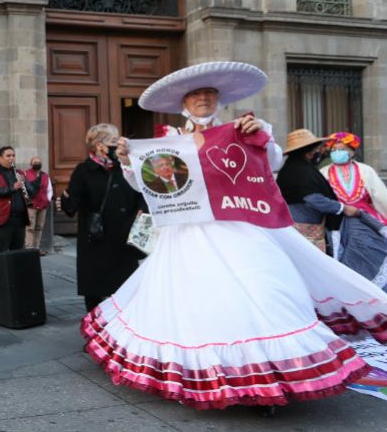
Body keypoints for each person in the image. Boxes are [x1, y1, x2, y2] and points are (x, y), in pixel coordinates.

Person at [88, 62, 387, 411]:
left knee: (263, 287)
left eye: (210, 94)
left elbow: (272, 162)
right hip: (189, 233)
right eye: (197, 94)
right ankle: (214, 375)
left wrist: (260, 134)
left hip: (240, 224)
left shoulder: (241, 129)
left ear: (219, 100)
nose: (203, 99)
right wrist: (129, 161)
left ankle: (271, 374)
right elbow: (145, 186)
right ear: (184, 102)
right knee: (197, 301)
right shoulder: (166, 142)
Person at [57, 124, 145, 312]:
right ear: (99, 146)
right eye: (113, 142)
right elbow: (72, 204)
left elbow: (141, 194)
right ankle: (96, 331)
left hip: (124, 236)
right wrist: (65, 199)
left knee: (126, 289)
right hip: (97, 239)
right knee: (96, 289)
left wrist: (140, 214)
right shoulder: (84, 170)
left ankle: (123, 332)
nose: (118, 145)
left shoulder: (126, 167)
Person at [321, 132, 387, 288]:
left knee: (371, 251)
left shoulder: (366, 170)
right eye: (334, 149)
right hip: (338, 222)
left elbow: (381, 197)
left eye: (342, 149)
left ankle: (373, 288)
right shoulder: (324, 173)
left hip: (365, 219)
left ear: (351, 151)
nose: (337, 153)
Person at [276, 129, 355, 253]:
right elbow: (312, 198)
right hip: (305, 232)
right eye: (315, 150)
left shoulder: (294, 167)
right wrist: (341, 207)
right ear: (308, 152)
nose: (317, 153)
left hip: (299, 227)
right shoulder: (300, 171)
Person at [0, 146, 29, 253]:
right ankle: (0, 271)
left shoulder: (19, 173)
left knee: (18, 251)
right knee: (1, 252)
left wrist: (25, 183)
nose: (11, 158)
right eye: (8, 156)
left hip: (19, 219)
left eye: (13, 155)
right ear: (0, 158)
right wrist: (13, 187)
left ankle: (16, 270)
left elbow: (30, 190)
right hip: (3, 219)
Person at [24, 156, 53, 255]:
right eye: (35, 162)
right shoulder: (26, 175)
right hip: (31, 205)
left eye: (38, 162)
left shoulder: (45, 176)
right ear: (31, 164)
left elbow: (49, 190)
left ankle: (36, 247)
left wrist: (47, 200)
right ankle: (29, 248)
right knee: (30, 227)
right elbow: (24, 191)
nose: (37, 163)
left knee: (39, 227)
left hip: (43, 205)